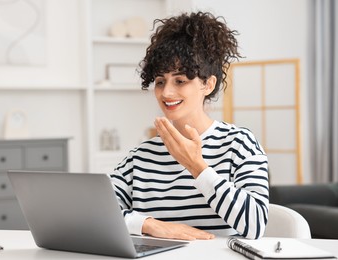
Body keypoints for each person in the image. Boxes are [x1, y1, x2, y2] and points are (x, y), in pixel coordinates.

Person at [110, 11, 269, 240]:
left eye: (180, 81)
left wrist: (196, 166)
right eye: (160, 81)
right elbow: (94, 214)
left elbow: (255, 225)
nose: (166, 92)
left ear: (208, 84)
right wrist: (149, 224)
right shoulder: (141, 156)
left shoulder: (239, 144)